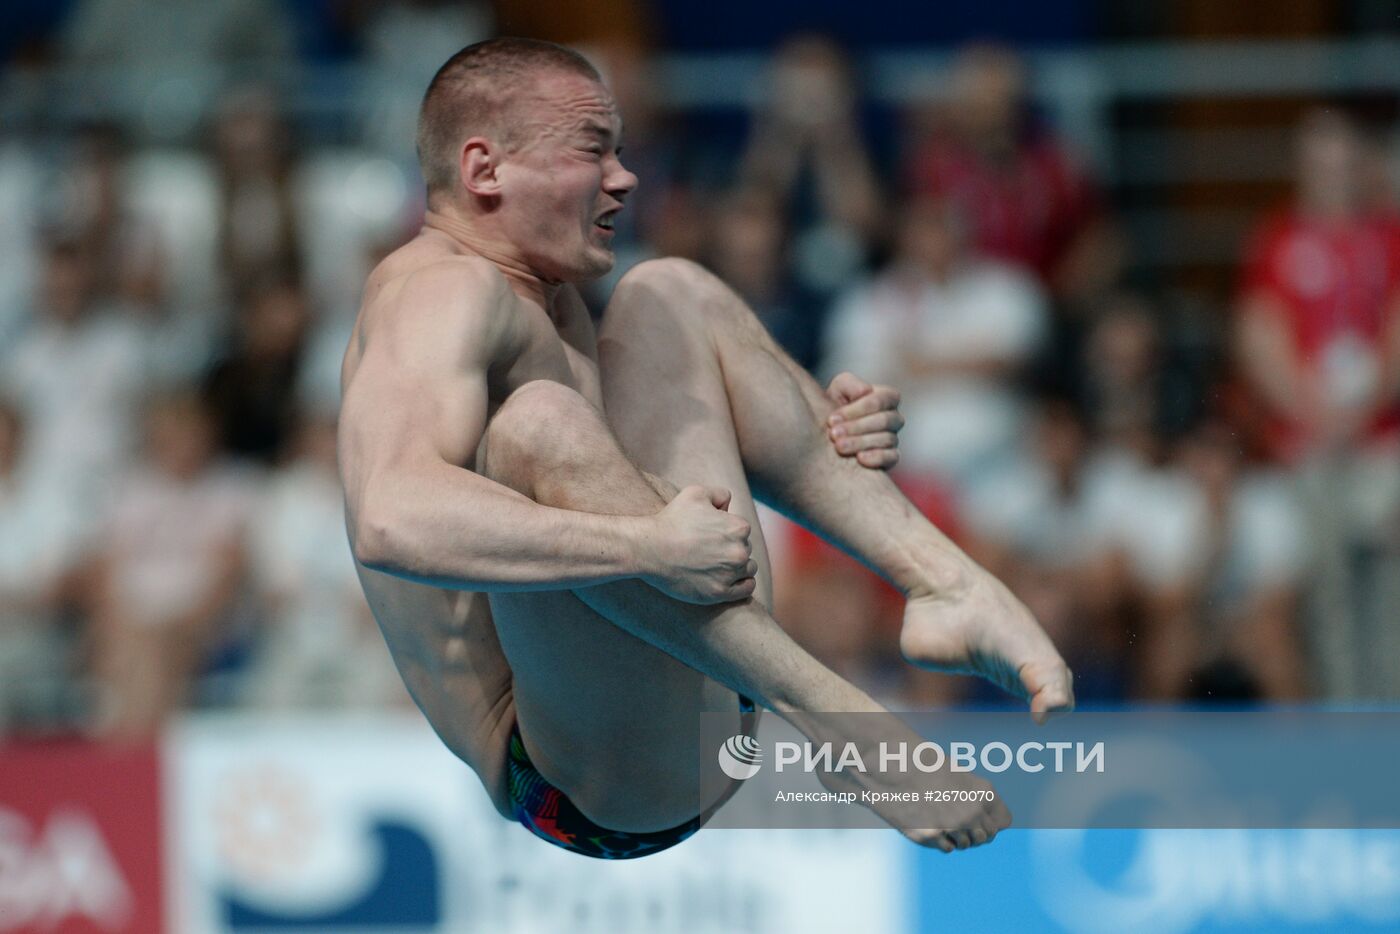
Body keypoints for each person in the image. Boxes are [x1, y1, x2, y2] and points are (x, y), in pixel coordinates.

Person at [338, 37, 1073, 860]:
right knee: (539, 421)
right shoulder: (438, 290)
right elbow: (389, 519)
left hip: (700, 676)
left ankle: (945, 584)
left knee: (671, 291)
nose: (624, 178)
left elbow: (635, 467)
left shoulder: (543, 287)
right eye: (592, 151)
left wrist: (818, 412)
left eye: (619, 150)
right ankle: (845, 725)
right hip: (585, 779)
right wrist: (644, 544)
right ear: (484, 171)